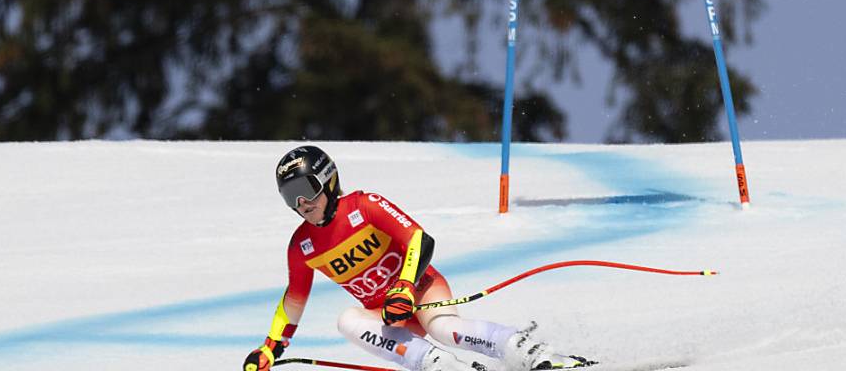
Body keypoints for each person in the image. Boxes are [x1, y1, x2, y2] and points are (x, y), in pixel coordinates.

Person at [243, 145, 594, 371]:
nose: (302, 205)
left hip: (422, 290)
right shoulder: (301, 246)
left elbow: (419, 239)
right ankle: (440, 367)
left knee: (445, 329)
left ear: (328, 180)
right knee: (347, 320)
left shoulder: (363, 206)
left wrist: (405, 287)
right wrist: (271, 348)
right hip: (390, 315)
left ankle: (537, 355)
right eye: (291, 197)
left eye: (306, 191)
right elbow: (294, 300)